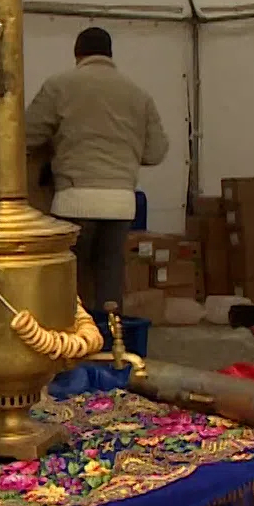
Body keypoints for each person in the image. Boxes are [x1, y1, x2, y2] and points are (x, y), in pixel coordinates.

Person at [25, 27, 168, 315]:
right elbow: (156, 151)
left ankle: (73, 343)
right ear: (110, 54)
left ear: (77, 54)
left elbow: (24, 136)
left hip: (73, 199)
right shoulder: (138, 94)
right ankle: (110, 343)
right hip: (120, 203)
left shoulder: (59, 85)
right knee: (109, 275)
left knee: (71, 279)